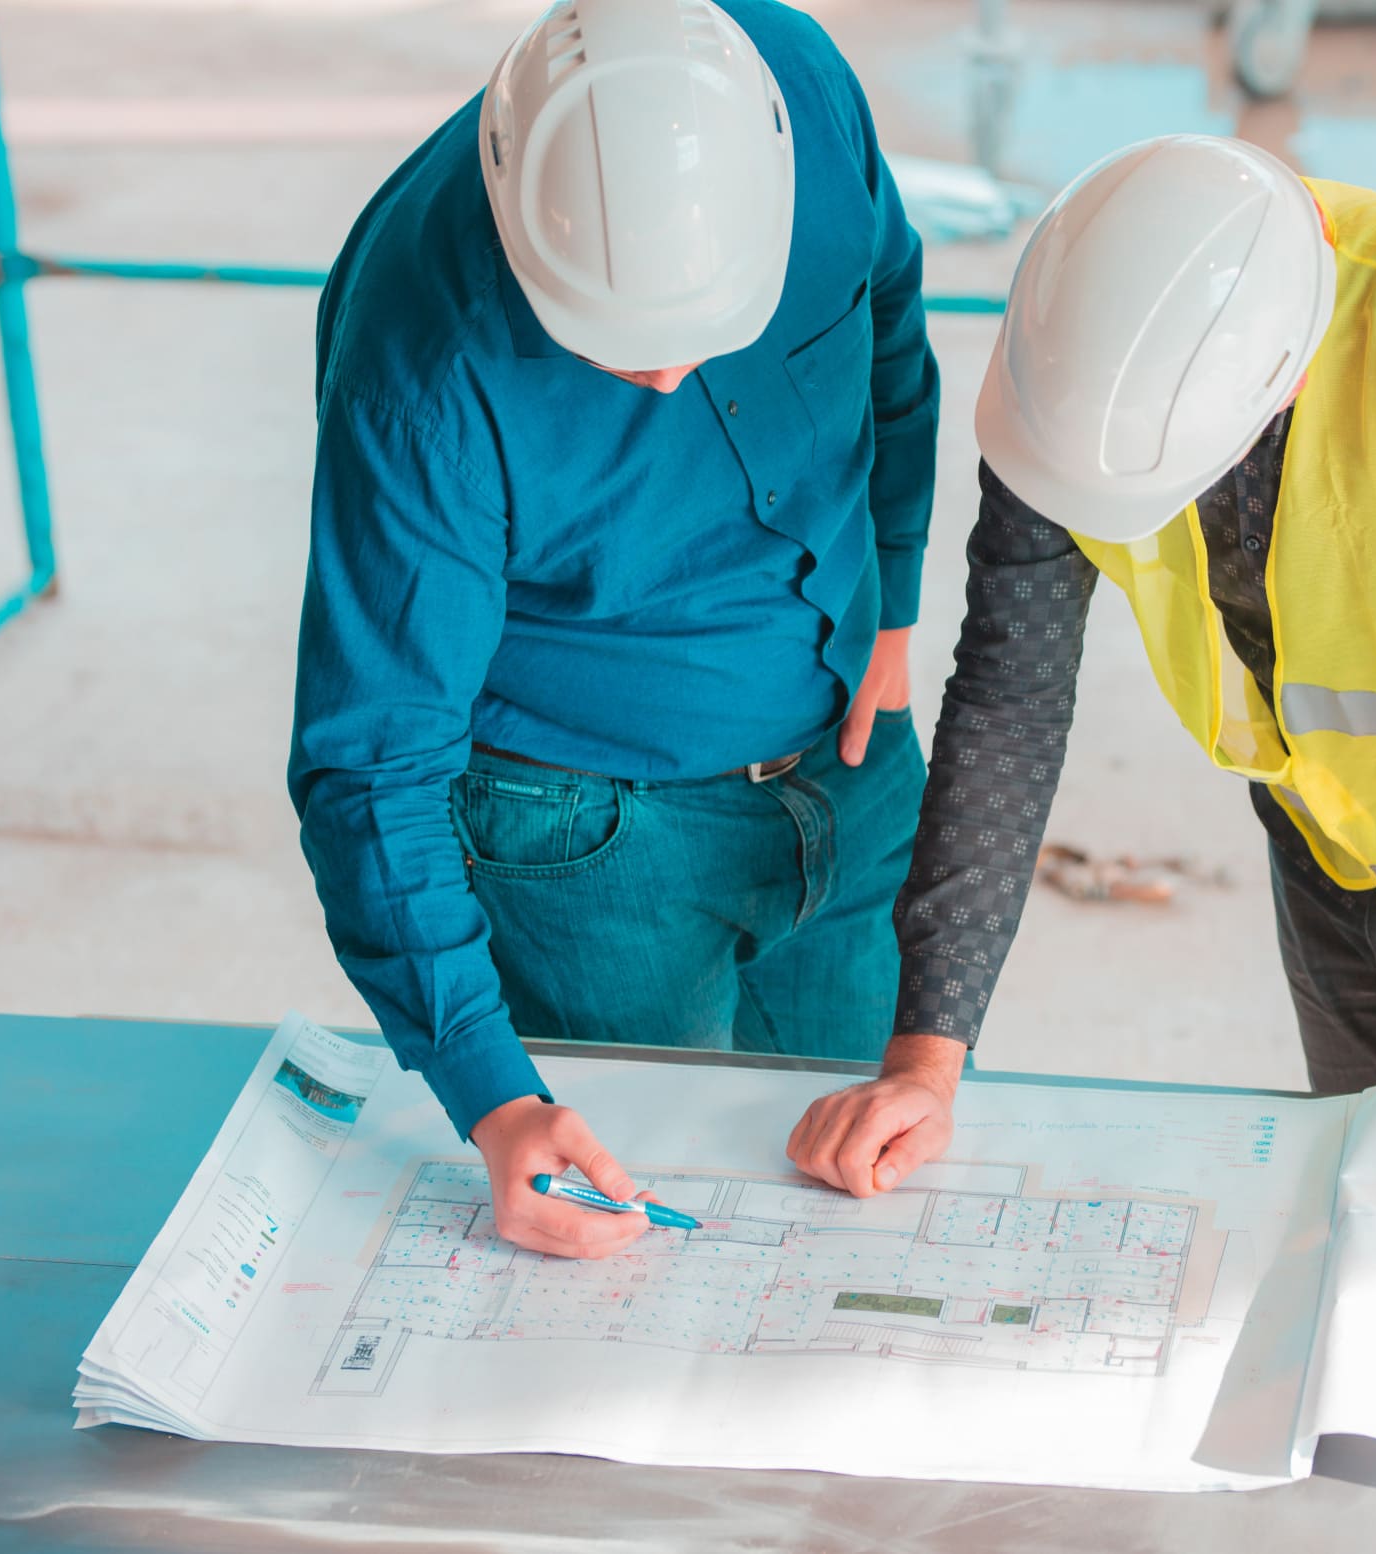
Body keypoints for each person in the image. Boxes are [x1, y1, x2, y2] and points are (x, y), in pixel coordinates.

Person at [788, 135, 1376, 1305]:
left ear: (1280, 377)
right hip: (1329, 840)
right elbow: (1006, 698)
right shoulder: (1078, 340)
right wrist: (925, 1061)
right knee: (1365, 1189)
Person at [290, 0, 938, 1258]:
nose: (658, 378)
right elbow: (373, 765)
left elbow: (892, 335)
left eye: (707, 327)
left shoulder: (795, 84)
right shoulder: (420, 363)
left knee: (845, 1198)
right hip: (592, 850)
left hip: (855, 769)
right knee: (659, 1250)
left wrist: (892, 612)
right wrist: (496, 1097)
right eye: (609, 340)